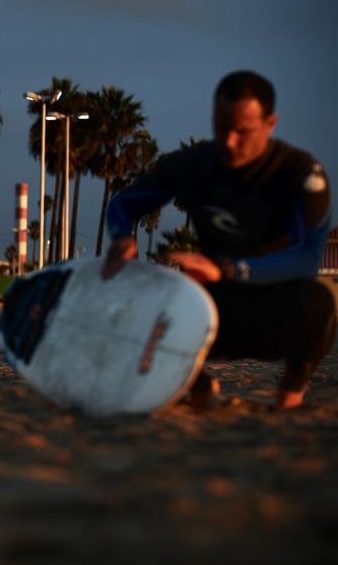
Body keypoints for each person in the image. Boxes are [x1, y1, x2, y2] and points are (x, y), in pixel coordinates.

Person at [102, 70, 335, 410]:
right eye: (222, 127)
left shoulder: (299, 172)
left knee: (320, 304)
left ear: (270, 123)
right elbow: (124, 204)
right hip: (210, 310)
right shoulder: (194, 165)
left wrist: (228, 268)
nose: (229, 141)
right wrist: (122, 237)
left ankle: (290, 394)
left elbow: (307, 257)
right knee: (130, 301)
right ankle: (197, 386)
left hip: (274, 306)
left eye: (243, 132)